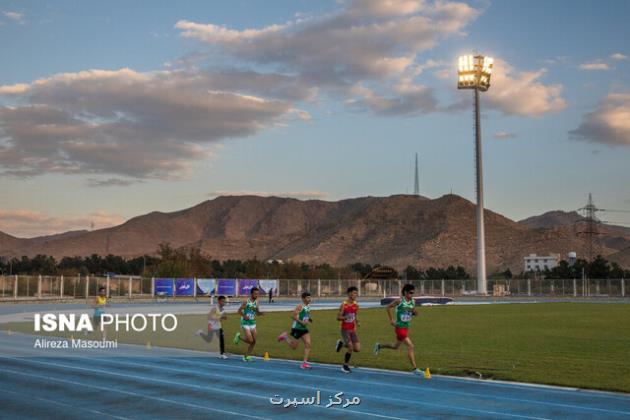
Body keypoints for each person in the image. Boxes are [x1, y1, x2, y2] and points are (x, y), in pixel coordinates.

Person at [373, 284, 422, 375]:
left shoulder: (413, 301)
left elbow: (415, 313)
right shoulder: (399, 301)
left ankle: (379, 346)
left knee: (395, 347)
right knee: (411, 346)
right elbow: (388, 307)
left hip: (406, 327)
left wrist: (413, 312)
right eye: (410, 293)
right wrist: (391, 320)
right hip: (399, 327)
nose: (412, 294)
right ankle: (415, 368)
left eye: (413, 293)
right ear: (405, 292)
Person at [277, 292, 313, 369]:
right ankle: (285, 337)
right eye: (307, 298)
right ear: (303, 299)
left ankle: (304, 363)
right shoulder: (300, 306)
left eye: (310, 297)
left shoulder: (308, 306)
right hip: (297, 328)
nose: (309, 299)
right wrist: (302, 322)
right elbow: (293, 316)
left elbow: (306, 314)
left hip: (303, 328)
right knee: (294, 347)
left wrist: (309, 319)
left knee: (308, 344)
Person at [233, 287, 263, 362]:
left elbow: (257, 312)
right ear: (251, 294)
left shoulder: (257, 302)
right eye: (255, 294)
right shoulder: (246, 302)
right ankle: (238, 337)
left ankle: (247, 356)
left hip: (252, 322)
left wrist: (260, 313)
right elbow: (239, 311)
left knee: (254, 341)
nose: (257, 295)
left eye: (258, 294)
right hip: (245, 322)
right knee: (250, 340)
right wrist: (244, 316)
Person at [335, 286, 360, 373]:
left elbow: (355, 315)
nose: (355, 295)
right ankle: (345, 366)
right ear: (349, 293)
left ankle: (341, 344)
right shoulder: (344, 305)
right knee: (350, 347)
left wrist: (357, 322)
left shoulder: (356, 305)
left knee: (357, 349)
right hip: (345, 329)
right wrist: (344, 317)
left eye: (356, 293)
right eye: (354, 293)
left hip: (352, 329)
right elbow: (338, 317)